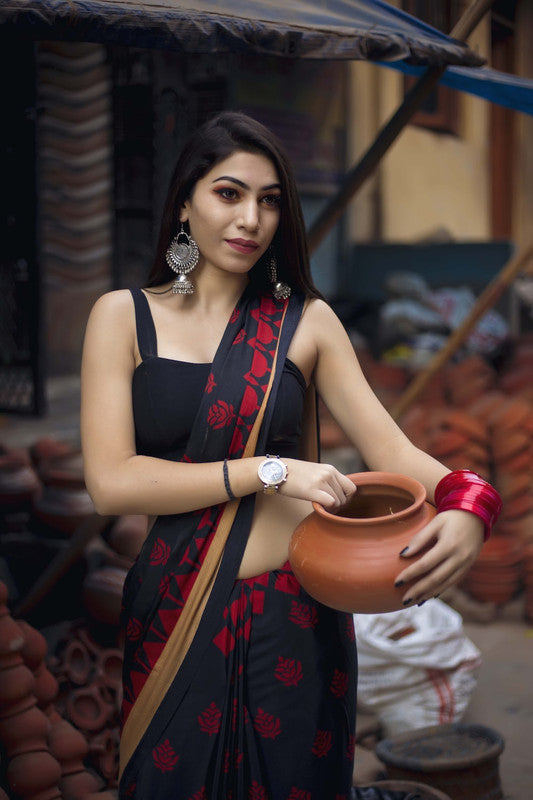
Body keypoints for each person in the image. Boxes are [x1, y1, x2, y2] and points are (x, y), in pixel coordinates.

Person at [81, 111, 501, 800]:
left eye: (269, 200)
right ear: (185, 201)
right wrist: (269, 471)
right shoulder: (121, 318)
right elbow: (111, 483)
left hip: (296, 615)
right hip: (176, 606)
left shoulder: (304, 322)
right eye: (228, 193)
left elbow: (392, 448)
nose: (251, 217)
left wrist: (469, 501)